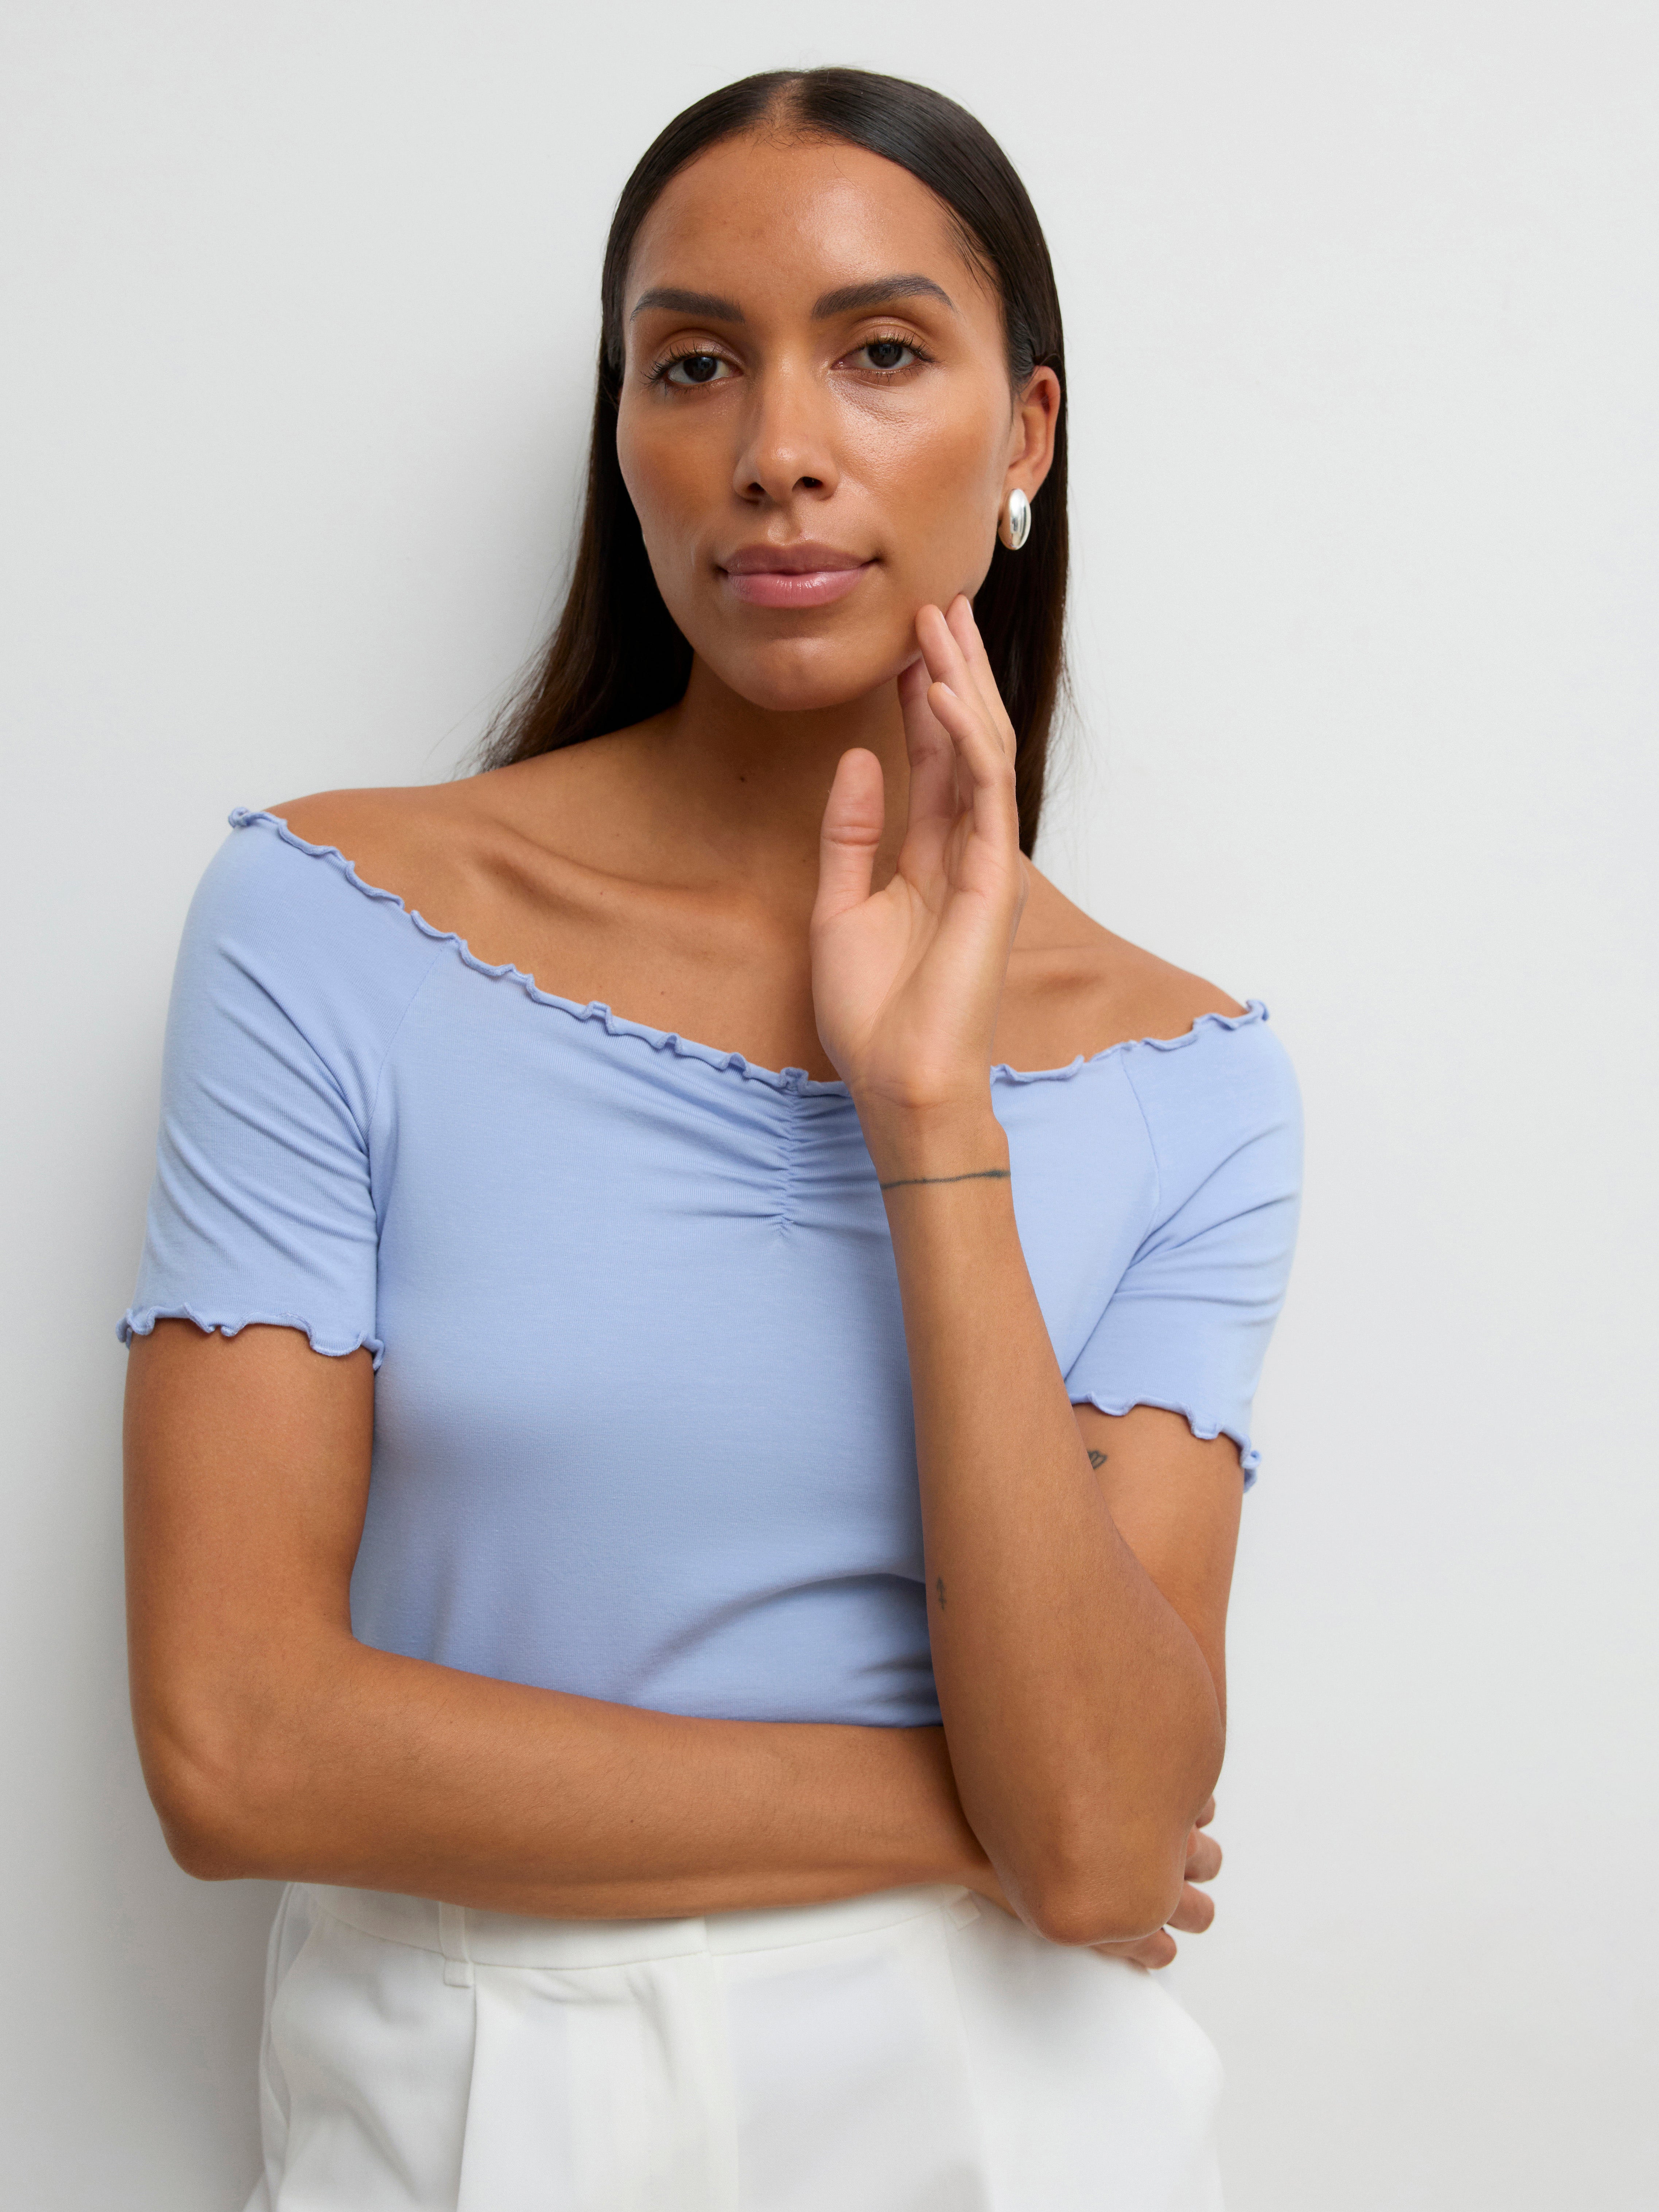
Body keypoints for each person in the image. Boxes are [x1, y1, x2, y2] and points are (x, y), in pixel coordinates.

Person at [120, 66, 1301, 2212]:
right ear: (624, 434)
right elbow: (237, 1743)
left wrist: (928, 1114)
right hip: (481, 2093)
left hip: (1013, 2111)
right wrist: (979, 1821)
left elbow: (1109, 1831)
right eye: (691, 364)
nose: (778, 450)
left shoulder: (1185, 1077)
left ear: (1025, 434)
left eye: (880, 353)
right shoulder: (332, 926)